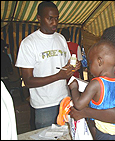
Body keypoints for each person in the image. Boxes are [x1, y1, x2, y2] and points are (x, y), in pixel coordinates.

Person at [15, 1, 81, 129]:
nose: (55, 23)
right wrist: (58, 76)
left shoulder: (60, 38)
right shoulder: (29, 43)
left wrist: (73, 66)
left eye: (57, 18)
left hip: (64, 99)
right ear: (39, 18)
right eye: (50, 18)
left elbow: (66, 63)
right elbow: (28, 81)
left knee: (66, 134)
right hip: (44, 105)